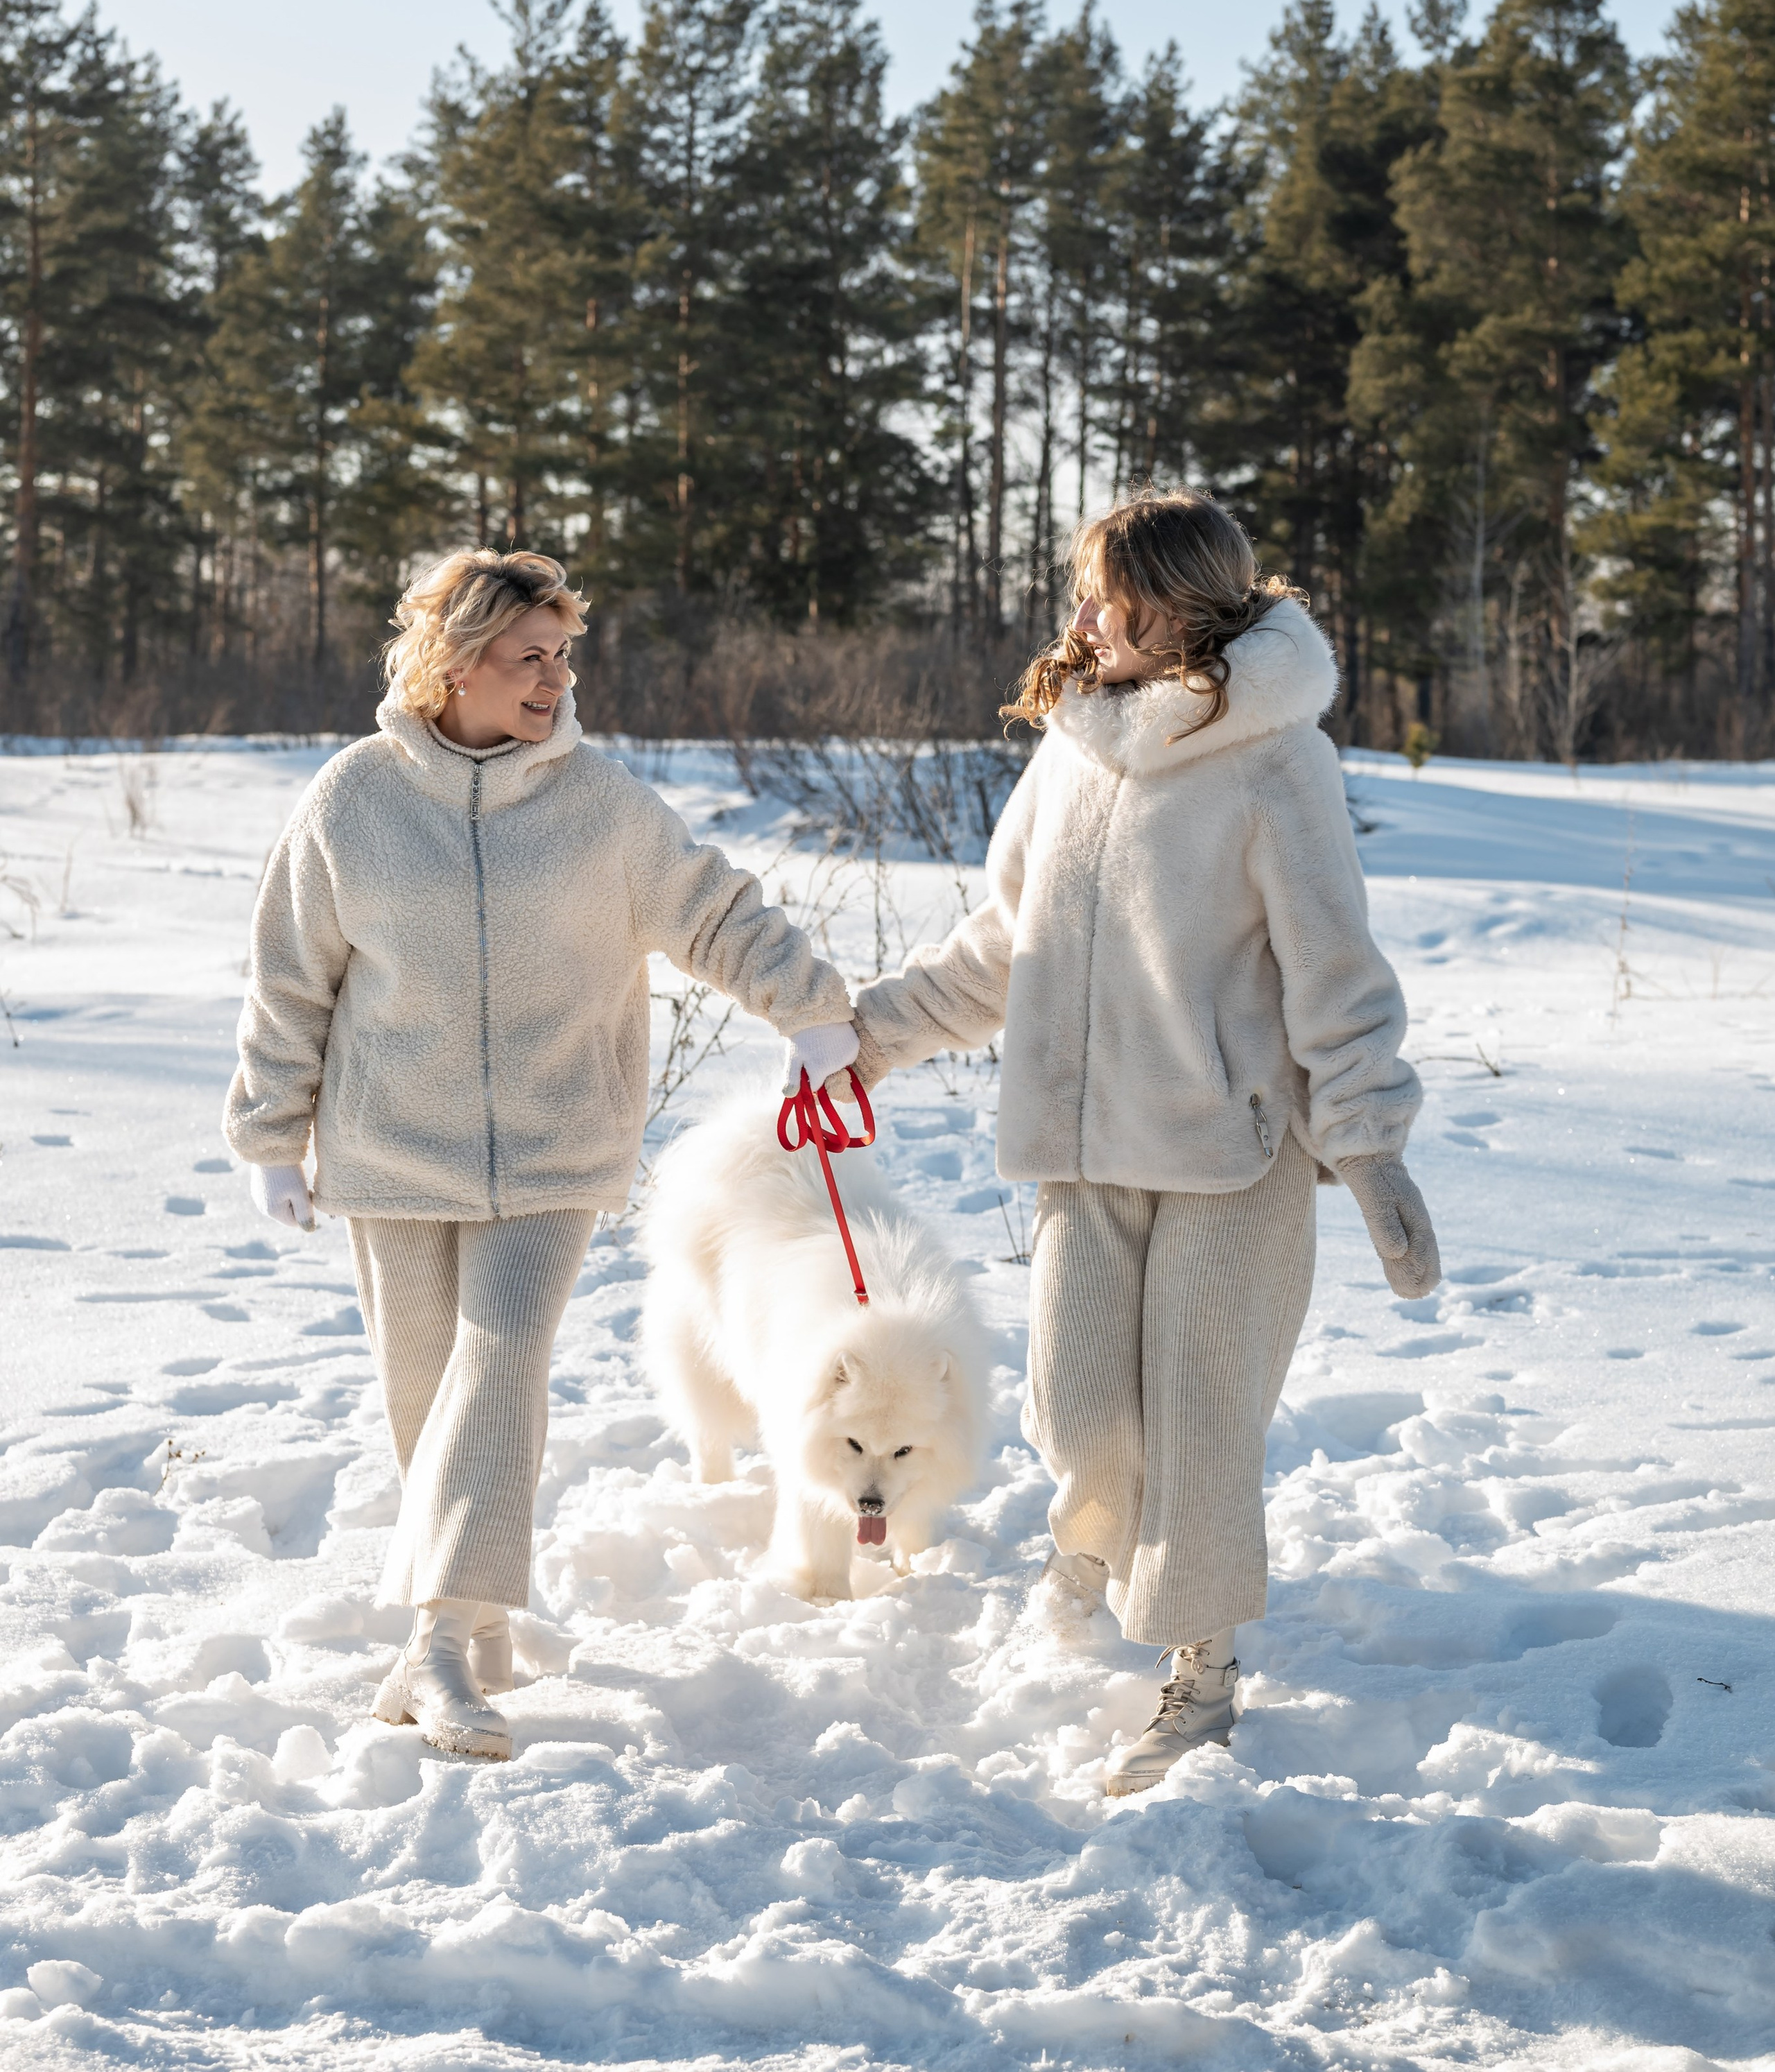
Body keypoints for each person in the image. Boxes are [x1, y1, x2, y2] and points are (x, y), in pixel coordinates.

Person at [223, 547, 856, 1761]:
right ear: (456, 662)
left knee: (500, 1360)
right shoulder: (354, 799)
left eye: (565, 655)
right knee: (428, 1397)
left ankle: (436, 1647)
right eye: (531, 657)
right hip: (391, 1147)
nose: (557, 679)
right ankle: (477, 1617)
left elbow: (714, 907)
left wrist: (812, 1007)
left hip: (555, 1150)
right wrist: (269, 1133)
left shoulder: (601, 805)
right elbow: (290, 976)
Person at [848, 492, 1438, 1795]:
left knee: (1200, 1424)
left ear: (1177, 610)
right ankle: (1095, 1536)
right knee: (1077, 1410)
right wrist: (873, 1034)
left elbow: (1336, 970)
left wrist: (1371, 1146)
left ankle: (1201, 1665)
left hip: (1234, 1155)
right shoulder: (1072, 748)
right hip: (1084, 1150)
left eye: (1107, 596)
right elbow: (1002, 947)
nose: (1081, 618)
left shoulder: (1277, 762)